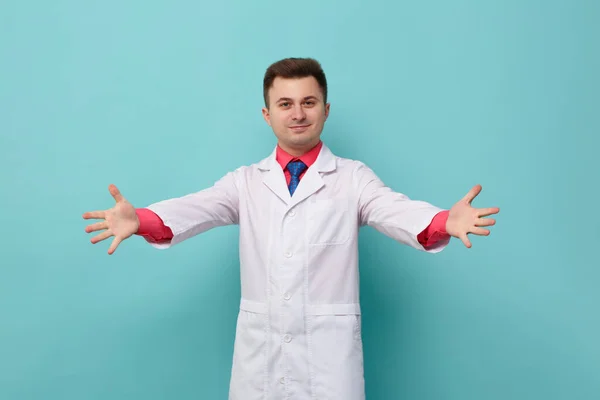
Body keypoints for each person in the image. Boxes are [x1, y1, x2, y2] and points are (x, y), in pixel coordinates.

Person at [82, 57, 499, 400]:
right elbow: (196, 208)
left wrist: (444, 221)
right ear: (267, 114)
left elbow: (397, 211)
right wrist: (140, 220)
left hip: (328, 365)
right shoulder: (245, 182)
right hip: (259, 363)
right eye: (284, 104)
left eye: (308, 102)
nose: (297, 114)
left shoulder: (353, 178)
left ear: (326, 109)